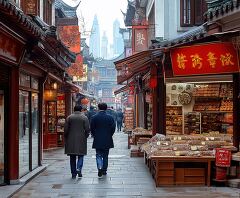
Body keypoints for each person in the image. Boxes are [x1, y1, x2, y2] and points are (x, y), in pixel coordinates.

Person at [64, 105, 90, 179]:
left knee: (72, 157)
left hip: (70, 139)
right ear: (81, 110)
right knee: (81, 155)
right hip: (81, 138)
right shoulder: (84, 117)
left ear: (74, 109)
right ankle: (79, 168)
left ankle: (73, 173)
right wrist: (86, 136)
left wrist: (66, 137)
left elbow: (66, 129)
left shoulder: (69, 117)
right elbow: (87, 129)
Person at [90, 103, 116, 177]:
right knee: (105, 155)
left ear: (98, 108)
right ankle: (104, 170)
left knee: (98, 154)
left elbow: (92, 128)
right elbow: (113, 128)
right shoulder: (110, 117)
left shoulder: (94, 117)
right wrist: (109, 134)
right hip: (107, 138)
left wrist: (95, 135)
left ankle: (100, 167)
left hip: (97, 138)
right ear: (106, 108)